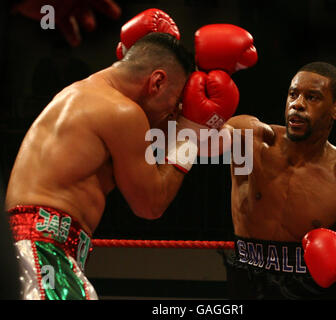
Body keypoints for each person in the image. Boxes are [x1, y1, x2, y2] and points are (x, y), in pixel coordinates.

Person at [5, 8, 253, 299]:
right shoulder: (123, 112)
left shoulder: (86, 95)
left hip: (34, 247)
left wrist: (197, 129)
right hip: (42, 248)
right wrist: (190, 137)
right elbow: (151, 204)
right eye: (173, 103)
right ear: (157, 82)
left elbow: (170, 135)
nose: (171, 114)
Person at [223, 61, 336, 299]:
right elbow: (201, 144)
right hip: (247, 279)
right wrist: (205, 111)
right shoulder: (252, 141)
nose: (297, 104)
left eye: (312, 97)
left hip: (311, 290)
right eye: (293, 94)